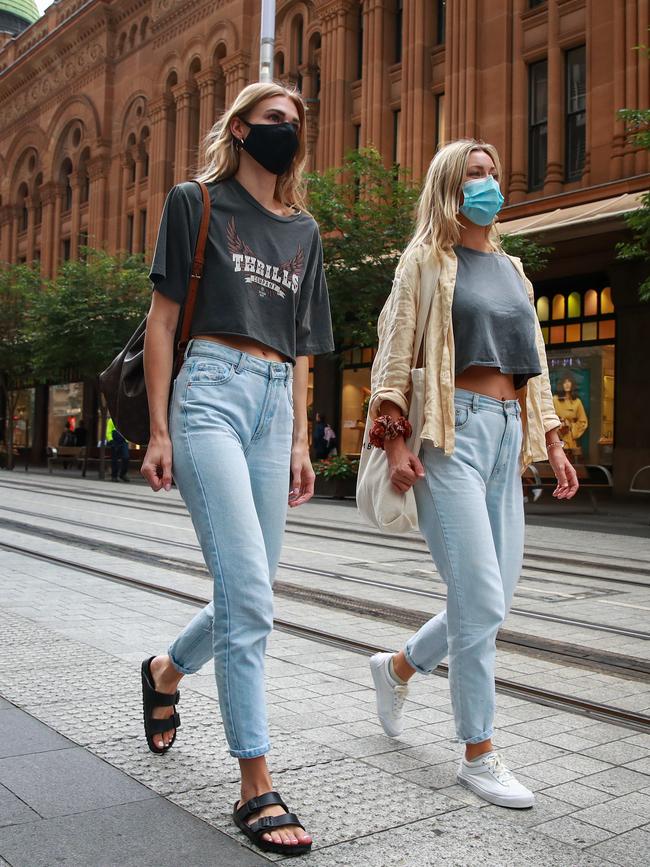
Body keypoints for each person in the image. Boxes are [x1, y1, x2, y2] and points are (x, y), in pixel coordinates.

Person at [140, 82, 333, 857]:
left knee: (247, 592)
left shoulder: (305, 231)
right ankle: (256, 781)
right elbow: (161, 321)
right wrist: (157, 427)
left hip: (272, 406)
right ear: (241, 130)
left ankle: (164, 669)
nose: (287, 132)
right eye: (274, 121)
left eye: (296, 123)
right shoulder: (197, 202)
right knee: (250, 594)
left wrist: (298, 441)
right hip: (208, 396)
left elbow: (301, 348)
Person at [366, 139, 579, 810]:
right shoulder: (426, 260)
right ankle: (478, 753)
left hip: (506, 435)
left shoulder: (515, 270)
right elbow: (394, 352)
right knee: (481, 598)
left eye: (492, 171)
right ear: (451, 188)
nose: (488, 182)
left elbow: (533, 363)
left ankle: (398, 666)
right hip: (447, 434)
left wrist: (551, 437)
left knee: (494, 597)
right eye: (474, 174)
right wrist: (397, 442)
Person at [553, 373, 588, 457]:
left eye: (569, 381)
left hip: (571, 441)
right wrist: (558, 426)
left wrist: (571, 426)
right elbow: (546, 418)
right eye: (565, 382)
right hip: (557, 438)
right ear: (561, 384)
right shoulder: (554, 399)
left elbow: (583, 422)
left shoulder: (577, 402)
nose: (567, 384)